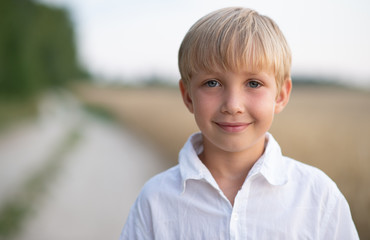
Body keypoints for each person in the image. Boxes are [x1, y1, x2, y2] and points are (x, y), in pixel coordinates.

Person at [120, 7, 359, 239]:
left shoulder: (318, 197)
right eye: (212, 83)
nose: (233, 105)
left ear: (281, 95)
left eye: (253, 83)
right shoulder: (155, 200)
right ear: (188, 96)